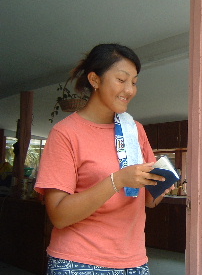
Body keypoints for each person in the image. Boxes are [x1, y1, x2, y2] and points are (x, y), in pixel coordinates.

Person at [35, 43, 173, 275]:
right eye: (121, 79)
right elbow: (58, 216)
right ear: (95, 80)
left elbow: (148, 200)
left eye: (134, 82)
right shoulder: (66, 134)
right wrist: (117, 181)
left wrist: (163, 183)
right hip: (78, 262)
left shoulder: (134, 130)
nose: (129, 89)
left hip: (134, 262)